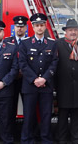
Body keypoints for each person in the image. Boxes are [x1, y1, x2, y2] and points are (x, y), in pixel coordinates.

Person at [19, 13, 58, 144]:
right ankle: (27, 139)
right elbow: (22, 64)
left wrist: (44, 79)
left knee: (46, 115)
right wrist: (35, 79)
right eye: (37, 25)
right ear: (33, 27)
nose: (40, 28)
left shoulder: (52, 44)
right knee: (29, 115)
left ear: (45, 26)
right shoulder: (25, 43)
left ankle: (46, 139)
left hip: (46, 85)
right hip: (30, 86)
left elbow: (54, 63)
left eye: (42, 25)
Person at [4, 15, 29, 133]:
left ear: (26, 28)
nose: (20, 29)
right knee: (10, 109)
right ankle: (11, 134)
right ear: (14, 27)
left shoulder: (30, 41)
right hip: (12, 80)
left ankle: (29, 134)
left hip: (26, 80)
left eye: (22, 26)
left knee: (29, 108)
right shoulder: (7, 42)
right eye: (17, 26)